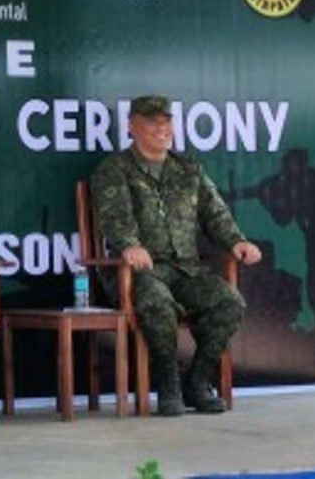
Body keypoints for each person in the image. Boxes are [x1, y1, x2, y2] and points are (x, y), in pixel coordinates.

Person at [91, 95, 262, 417]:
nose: (160, 129)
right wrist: (130, 244)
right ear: (132, 126)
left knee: (229, 302)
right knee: (157, 303)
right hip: (140, 271)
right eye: (151, 122)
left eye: (165, 122)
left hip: (186, 271)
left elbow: (216, 214)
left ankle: (197, 381)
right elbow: (113, 217)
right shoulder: (114, 169)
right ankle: (167, 383)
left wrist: (237, 241)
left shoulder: (188, 169)